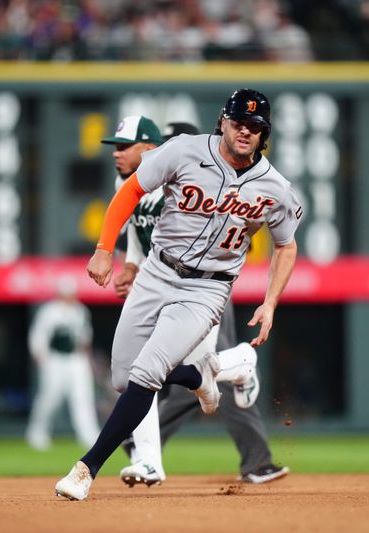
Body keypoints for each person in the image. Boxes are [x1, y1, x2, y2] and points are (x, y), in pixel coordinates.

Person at [55, 88, 302, 501]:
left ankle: (86, 469)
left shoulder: (275, 187)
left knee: (146, 373)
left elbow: (286, 245)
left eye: (255, 126)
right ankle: (201, 374)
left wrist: (271, 301)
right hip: (157, 271)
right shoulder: (184, 150)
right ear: (223, 121)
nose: (246, 130)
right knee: (122, 377)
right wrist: (104, 250)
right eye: (239, 121)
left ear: (265, 134)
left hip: (208, 287)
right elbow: (130, 191)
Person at [116, 121, 288, 486]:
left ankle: (240, 364)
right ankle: (147, 454)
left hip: (200, 288)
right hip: (158, 282)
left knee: (185, 368)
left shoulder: (196, 178)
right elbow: (135, 230)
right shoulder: (142, 180)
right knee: (155, 370)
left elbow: (244, 232)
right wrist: (132, 264)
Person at [25, 276, 101, 451]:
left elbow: (85, 338)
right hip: (55, 359)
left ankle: (88, 436)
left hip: (76, 359)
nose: (69, 296)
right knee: (49, 398)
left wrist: (87, 360)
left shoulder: (81, 311)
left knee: (83, 398)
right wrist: (40, 356)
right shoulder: (49, 311)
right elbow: (38, 336)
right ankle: (37, 434)